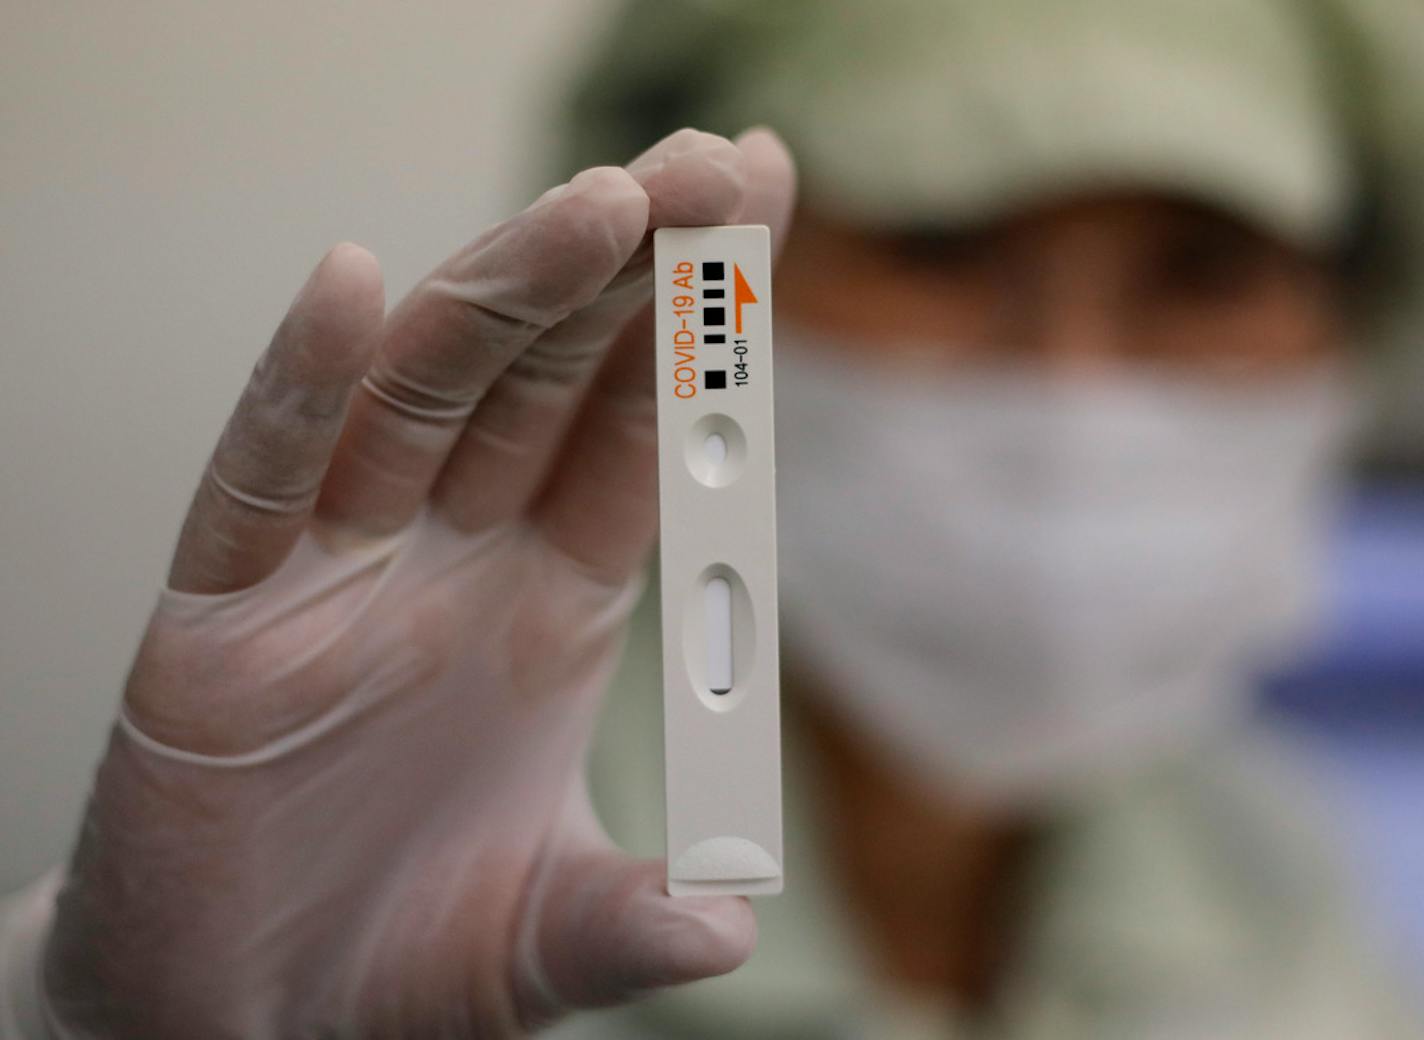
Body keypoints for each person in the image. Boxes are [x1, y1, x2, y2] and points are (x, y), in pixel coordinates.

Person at [2, 2, 1422, 1039]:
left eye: (1202, 266)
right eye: (936, 240)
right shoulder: (390, 846)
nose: (1071, 387)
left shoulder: (1274, 870)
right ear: (714, 301)